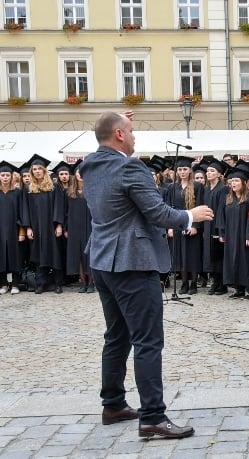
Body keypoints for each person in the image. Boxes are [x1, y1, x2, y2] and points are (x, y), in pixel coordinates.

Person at [80, 111, 212, 438]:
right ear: (120, 136)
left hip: (103, 261)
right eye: (131, 130)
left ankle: (112, 404)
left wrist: (114, 120)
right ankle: (153, 416)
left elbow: (104, 135)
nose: (135, 136)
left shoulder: (90, 166)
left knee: (117, 336)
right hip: (132, 262)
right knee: (148, 341)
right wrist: (189, 215)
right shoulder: (129, 167)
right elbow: (159, 213)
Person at [20, 154, 65, 294]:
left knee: (55, 254)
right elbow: (24, 209)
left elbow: (59, 206)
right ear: (32, 172)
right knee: (39, 256)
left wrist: (59, 225)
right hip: (36, 227)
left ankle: (58, 283)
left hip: (51, 227)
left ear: (45, 171)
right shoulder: (28, 188)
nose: (37, 171)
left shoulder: (54, 186)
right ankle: (41, 283)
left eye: (40, 169)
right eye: (34, 169)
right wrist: (27, 228)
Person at [165, 156, 204, 295]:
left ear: (190, 170)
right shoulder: (172, 188)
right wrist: (169, 226)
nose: (182, 172)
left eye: (185, 169)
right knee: (180, 254)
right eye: (180, 169)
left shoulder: (198, 187)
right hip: (177, 224)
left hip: (192, 224)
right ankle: (184, 283)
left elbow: (200, 206)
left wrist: (195, 226)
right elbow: (169, 207)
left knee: (192, 254)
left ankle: (193, 283)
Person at [218, 161, 249, 298]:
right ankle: (238, 288)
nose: (233, 183)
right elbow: (221, 217)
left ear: (244, 182)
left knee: (245, 261)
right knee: (232, 261)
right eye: (232, 181)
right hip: (230, 236)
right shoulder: (228, 199)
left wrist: (248, 235)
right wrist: (221, 232)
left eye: (236, 181)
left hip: (243, 235)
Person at [64, 163, 94, 293]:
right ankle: (83, 282)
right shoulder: (69, 192)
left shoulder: (93, 190)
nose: (80, 174)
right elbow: (65, 212)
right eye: (78, 172)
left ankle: (91, 283)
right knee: (78, 255)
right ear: (75, 175)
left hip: (90, 225)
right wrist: (66, 228)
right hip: (74, 226)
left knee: (90, 254)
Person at [201, 157, 228, 295]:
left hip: (217, 225)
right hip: (207, 224)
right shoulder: (206, 189)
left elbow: (221, 209)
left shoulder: (222, 189)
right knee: (209, 255)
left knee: (218, 255)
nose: (208, 173)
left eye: (212, 171)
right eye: (208, 171)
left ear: (219, 174)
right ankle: (214, 281)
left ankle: (222, 284)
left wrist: (220, 228)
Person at [0, 161, 23, 295]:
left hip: (14, 229)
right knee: (1, 256)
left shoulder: (17, 193)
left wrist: (22, 230)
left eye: (7, 175)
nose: (5, 178)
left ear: (11, 176)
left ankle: (15, 284)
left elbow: (22, 212)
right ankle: (3, 284)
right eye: (2, 175)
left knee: (15, 256)